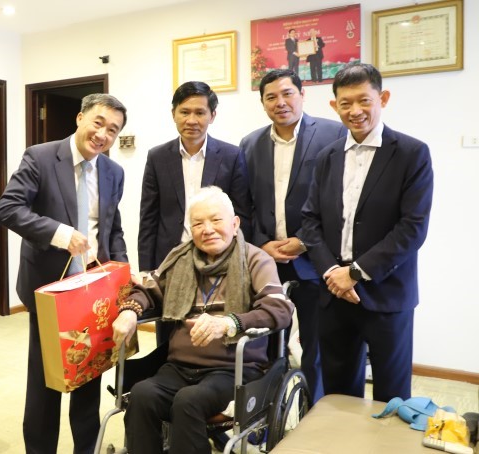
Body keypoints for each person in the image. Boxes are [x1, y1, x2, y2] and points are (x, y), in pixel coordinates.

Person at [114, 186, 293, 454]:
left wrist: (229, 323)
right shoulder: (179, 259)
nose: (207, 229)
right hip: (179, 367)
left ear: (235, 224)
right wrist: (130, 310)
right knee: (142, 395)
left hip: (233, 370)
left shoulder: (256, 259)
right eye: (198, 223)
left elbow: (279, 309)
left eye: (216, 220)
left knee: (188, 401)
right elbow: (148, 289)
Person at [0, 93, 128, 454]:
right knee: (46, 382)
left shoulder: (113, 172)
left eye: (112, 130)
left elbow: (112, 228)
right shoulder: (40, 157)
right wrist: (59, 233)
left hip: (94, 290)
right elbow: (8, 209)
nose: (103, 134)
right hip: (50, 288)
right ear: (80, 118)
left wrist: (122, 278)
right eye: (98, 122)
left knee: (88, 377)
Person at [301, 62, 434, 403]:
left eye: (364, 100)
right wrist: (332, 272)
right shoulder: (327, 156)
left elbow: (412, 228)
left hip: (387, 293)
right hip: (334, 293)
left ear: (383, 98)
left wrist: (355, 273)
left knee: (391, 398)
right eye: (345, 103)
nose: (355, 111)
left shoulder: (412, 153)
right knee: (338, 395)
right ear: (334, 106)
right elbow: (310, 221)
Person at [240, 69, 346, 403]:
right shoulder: (250, 144)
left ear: (302, 94)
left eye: (287, 93)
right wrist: (262, 243)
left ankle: (316, 413)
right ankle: (267, 414)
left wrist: (304, 240)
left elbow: (340, 198)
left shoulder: (333, 133)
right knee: (266, 344)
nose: (280, 102)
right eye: (270, 97)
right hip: (266, 263)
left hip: (316, 260)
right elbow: (246, 203)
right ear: (262, 103)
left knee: (318, 346)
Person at [139, 80, 251, 345]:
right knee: (169, 335)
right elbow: (149, 217)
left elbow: (242, 213)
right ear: (173, 114)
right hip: (171, 260)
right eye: (184, 112)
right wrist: (146, 268)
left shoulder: (231, 155)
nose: (191, 120)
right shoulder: (157, 157)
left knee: (215, 333)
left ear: (212, 115)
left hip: (219, 261)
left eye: (200, 112)